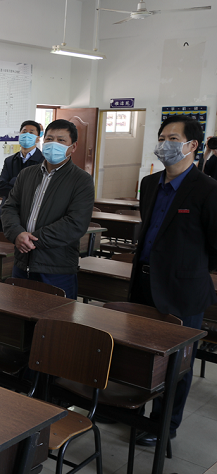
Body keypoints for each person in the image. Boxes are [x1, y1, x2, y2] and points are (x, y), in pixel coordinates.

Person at [129, 115, 217, 447]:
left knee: (177, 363)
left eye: (173, 139)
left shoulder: (208, 189)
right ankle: (134, 409)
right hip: (144, 282)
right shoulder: (150, 183)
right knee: (140, 353)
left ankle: (165, 424)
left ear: (192, 145)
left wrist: (190, 268)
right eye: (162, 138)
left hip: (183, 289)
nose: (165, 144)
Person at [0, 119, 94, 299]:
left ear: (73, 147)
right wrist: (17, 234)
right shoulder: (26, 174)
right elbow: (10, 207)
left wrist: (32, 240)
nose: (53, 144)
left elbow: (75, 223)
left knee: (56, 316)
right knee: (18, 311)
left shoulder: (82, 180)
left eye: (61, 140)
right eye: (49, 139)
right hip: (22, 263)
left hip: (57, 267)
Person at [0, 120, 45, 217]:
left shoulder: (44, 161)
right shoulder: (9, 161)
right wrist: (22, 186)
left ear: (37, 139)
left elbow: (38, 189)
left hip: (31, 212)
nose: (27, 135)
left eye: (31, 132)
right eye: (24, 132)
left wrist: (13, 181)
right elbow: (2, 187)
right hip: (8, 211)